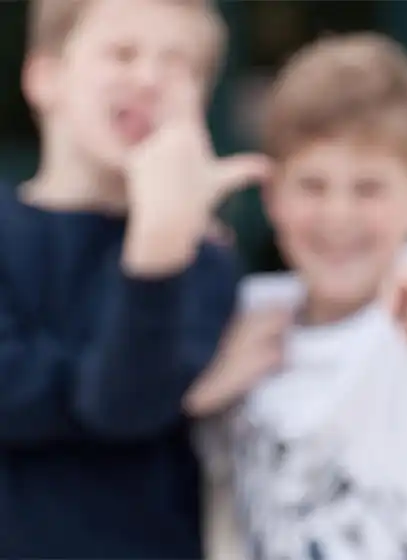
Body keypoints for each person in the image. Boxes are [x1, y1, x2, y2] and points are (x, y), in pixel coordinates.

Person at [191, 33, 407, 560]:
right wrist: (210, 386)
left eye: (368, 189)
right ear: (272, 195)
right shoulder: (249, 312)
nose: (338, 215)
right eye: (313, 186)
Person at [0, 0, 270, 557]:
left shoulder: (201, 260)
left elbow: (124, 406)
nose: (148, 78)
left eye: (179, 64)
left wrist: (159, 244)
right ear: (44, 77)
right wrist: (181, 395)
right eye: (122, 53)